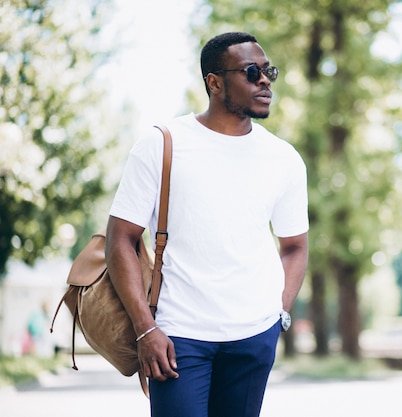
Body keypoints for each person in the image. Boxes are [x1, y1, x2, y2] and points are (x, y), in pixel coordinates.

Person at [105, 32, 309, 417]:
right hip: (177, 337)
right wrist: (145, 328)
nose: (264, 81)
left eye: (269, 72)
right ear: (214, 83)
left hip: (254, 336)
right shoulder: (162, 143)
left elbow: (295, 246)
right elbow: (120, 241)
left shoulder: (283, 159)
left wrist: (277, 314)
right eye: (252, 72)